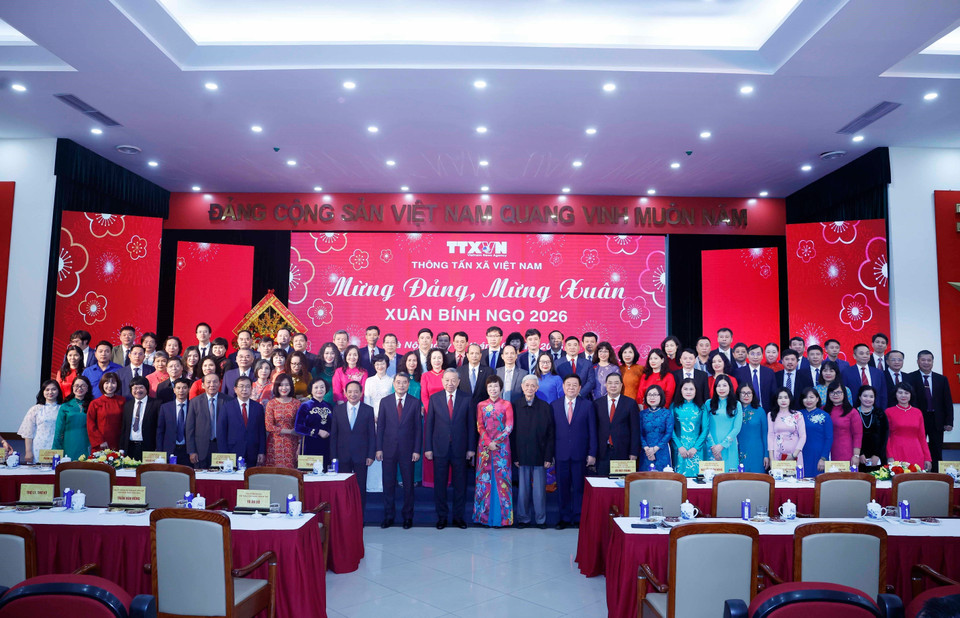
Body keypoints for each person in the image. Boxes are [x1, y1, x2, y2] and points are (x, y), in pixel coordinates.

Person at [425, 369, 476, 529]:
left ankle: (458, 517)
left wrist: (471, 448)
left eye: (453, 380)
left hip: (460, 449)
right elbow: (429, 425)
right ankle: (442, 517)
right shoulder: (434, 399)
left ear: (459, 381)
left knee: (460, 485)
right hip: (439, 448)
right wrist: (428, 448)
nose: (450, 383)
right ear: (442, 381)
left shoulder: (467, 398)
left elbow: (471, 426)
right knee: (440, 485)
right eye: (447, 380)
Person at [376, 372, 422, 529]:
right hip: (388, 449)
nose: (401, 385)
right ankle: (389, 516)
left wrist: (417, 450)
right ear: (393, 384)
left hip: (408, 450)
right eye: (398, 382)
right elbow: (380, 427)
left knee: (408, 485)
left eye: (404, 383)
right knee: (388, 483)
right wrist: (379, 448)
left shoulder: (415, 403)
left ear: (408, 385)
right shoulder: (385, 402)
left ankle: (408, 517)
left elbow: (418, 429)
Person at [552, 374, 596, 529]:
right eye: (568, 385)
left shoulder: (587, 405)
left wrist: (592, 453)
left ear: (579, 388)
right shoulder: (555, 405)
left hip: (580, 454)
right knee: (562, 488)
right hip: (561, 453)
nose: (571, 388)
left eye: (574, 385)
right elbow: (551, 432)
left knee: (579, 487)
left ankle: (578, 517)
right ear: (563, 387)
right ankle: (564, 518)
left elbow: (592, 431)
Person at [510, 375, 555, 528]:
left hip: (540, 455)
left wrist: (548, 456)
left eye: (533, 386)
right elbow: (512, 432)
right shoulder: (515, 406)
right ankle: (523, 518)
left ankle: (541, 519)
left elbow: (550, 433)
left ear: (537, 388)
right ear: (522, 387)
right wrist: (515, 455)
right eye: (527, 385)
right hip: (521, 455)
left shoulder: (545, 407)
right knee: (523, 491)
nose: (530, 388)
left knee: (539, 492)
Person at [473, 375, 513, 527]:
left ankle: (503, 519)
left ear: (501, 388)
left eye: (496, 386)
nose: (493, 389)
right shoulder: (481, 405)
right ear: (486, 388)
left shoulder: (507, 404)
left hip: (502, 448)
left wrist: (497, 442)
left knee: (502, 481)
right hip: (484, 447)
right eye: (490, 386)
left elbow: (509, 426)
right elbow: (480, 426)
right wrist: (489, 442)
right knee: (484, 481)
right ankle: (483, 518)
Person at [330, 381, 376, 510]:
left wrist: (370, 455)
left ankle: (359, 517)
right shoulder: (338, 410)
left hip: (361, 456)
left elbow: (372, 434)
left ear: (361, 393)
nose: (353, 394)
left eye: (356, 391)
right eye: (350, 391)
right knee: (343, 487)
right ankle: (344, 516)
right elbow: (334, 435)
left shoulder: (368, 410)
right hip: (342, 456)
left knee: (360, 488)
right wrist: (334, 457)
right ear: (345, 393)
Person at [907, 349, 954, 467]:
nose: (926, 362)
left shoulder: (941, 379)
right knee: (916, 448)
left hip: (936, 419)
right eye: (923, 360)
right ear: (918, 361)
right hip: (917, 419)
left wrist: (949, 422)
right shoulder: (910, 378)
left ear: (933, 362)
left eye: (929, 360)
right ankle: (917, 472)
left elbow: (947, 401)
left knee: (936, 450)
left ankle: (936, 475)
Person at [593, 373, 639, 476]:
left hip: (623, 452)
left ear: (621, 385)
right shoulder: (597, 404)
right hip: (602, 452)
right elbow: (594, 430)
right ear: (605, 385)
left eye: (616, 383)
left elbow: (635, 430)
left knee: (621, 486)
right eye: (610, 383)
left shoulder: (630, 403)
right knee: (603, 485)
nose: (613, 386)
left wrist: (633, 452)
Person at [217, 375, 266, 467]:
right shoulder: (227, 407)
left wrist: (261, 451)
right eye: (241, 386)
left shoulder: (258, 407)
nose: (244, 389)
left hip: (253, 451)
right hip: (232, 452)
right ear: (235, 389)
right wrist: (224, 454)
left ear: (251, 389)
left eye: (247, 386)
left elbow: (261, 431)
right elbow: (221, 432)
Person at [885, 383, 932, 471]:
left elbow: (922, 437)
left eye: (906, 393)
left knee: (916, 480)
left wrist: (927, 458)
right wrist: (889, 456)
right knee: (898, 480)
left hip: (916, 451)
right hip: (897, 451)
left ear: (911, 395)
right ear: (895, 394)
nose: (903, 395)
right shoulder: (888, 412)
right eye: (900, 393)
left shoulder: (917, 412)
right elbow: (886, 437)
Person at [419, 348, 447, 489]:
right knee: (430, 448)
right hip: (431, 418)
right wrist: (433, 413)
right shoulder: (425, 376)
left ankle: (446, 480)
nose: (437, 360)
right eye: (434, 358)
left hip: (447, 418)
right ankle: (430, 481)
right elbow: (424, 396)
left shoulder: (447, 375)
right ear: (430, 360)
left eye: (439, 358)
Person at [186, 373, 225, 469]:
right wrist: (192, 451)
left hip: (221, 448)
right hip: (200, 450)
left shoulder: (228, 401)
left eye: (215, 382)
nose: (212, 384)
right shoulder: (195, 402)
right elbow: (190, 428)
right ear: (203, 385)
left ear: (220, 384)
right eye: (208, 382)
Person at [703, 375, 742, 471]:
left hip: (729, 446)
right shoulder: (708, 403)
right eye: (718, 385)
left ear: (730, 387)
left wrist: (722, 445)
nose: (721, 388)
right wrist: (714, 447)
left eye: (724, 385)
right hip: (711, 446)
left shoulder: (737, 404)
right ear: (715, 388)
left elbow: (736, 428)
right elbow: (705, 426)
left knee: (729, 479)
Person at [18, 380, 62, 463]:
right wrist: (28, 452)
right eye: (47, 390)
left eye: (54, 389)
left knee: (56, 472)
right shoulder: (35, 409)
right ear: (43, 392)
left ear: (58, 391)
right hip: (39, 446)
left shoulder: (63, 409)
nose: (50, 392)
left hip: (58, 446)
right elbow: (28, 433)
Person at [671, 379, 708, 477]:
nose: (688, 392)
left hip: (696, 449)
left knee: (698, 479)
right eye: (685, 389)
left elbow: (705, 429)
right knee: (679, 479)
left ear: (696, 391)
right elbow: (671, 429)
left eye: (691, 389)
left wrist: (695, 448)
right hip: (679, 450)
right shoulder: (674, 407)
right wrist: (679, 446)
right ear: (680, 390)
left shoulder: (702, 407)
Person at [264, 374, 301, 468]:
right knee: (275, 475)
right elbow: (268, 426)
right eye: (281, 385)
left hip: (292, 444)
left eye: (287, 385)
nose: (284, 388)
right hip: (275, 444)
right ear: (277, 386)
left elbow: (301, 425)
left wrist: (300, 445)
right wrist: (289, 431)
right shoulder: (271, 403)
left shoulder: (296, 403)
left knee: (291, 474)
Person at [53, 376, 94, 460]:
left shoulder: (93, 405)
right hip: (69, 443)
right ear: (72, 388)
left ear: (87, 388)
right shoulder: (65, 406)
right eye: (76, 385)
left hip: (87, 443)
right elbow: (59, 430)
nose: (79, 388)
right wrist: (55, 451)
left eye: (83, 386)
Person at [842, 343, 889, 417]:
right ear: (854, 356)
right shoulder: (846, 372)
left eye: (867, 353)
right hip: (853, 412)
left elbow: (883, 394)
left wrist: (882, 411)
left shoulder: (878, 373)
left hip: (875, 412)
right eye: (861, 353)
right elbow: (844, 393)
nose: (865, 356)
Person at [119, 376, 160, 460]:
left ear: (147, 389)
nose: (138, 391)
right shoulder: (127, 405)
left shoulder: (156, 404)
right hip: (130, 447)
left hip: (149, 448)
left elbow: (160, 428)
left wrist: (158, 447)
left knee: (147, 472)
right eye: (135, 388)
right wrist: (121, 448)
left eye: (141, 387)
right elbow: (124, 428)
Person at [824, 381, 862, 467]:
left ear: (844, 393)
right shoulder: (823, 410)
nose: (835, 395)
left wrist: (856, 455)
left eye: (838, 392)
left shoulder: (852, 412)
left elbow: (858, 435)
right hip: (825, 452)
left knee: (844, 479)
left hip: (845, 452)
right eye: (832, 392)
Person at [294, 378, 333, 460]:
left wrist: (329, 432)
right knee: (310, 471)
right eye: (316, 387)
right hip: (309, 445)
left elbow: (334, 426)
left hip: (327, 445)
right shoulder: (305, 406)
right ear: (311, 390)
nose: (319, 389)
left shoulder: (329, 406)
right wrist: (317, 432)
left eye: (322, 387)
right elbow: (298, 427)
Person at [798, 387, 832, 476]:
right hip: (800, 453)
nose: (808, 400)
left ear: (817, 399)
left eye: (811, 397)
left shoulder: (825, 416)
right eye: (805, 397)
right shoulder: (797, 414)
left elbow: (829, 438)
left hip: (818, 454)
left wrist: (823, 458)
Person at [86, 372, 124, 451]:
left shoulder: (122, 401)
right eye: (107, 383)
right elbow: (90, 424)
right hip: (101, 444)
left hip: (118, 442)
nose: (110, 386)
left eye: (113, 382)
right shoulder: (95, 403)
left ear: (117, 384)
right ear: (102, 384)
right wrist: (100, 441)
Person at [156, 378, 191, 464]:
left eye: (184, 388)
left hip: (188, 450)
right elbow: (160, 430)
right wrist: (160, 451)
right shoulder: (165, 407)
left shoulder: (194, 406)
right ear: (174, 390)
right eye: (178, 388)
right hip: (170, 449)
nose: (181, 391)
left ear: (189, 389)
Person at [767, 389, 805, 466]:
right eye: (780, 398)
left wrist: (794, 455)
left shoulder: (798, 415)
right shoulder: (771, 415)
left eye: (786, 397)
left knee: (796, 477)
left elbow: (803, 436)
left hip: (794, 454)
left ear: (790, 399)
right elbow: (770, 436)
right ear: (776, 400)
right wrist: (771, 458)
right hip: (777, 454)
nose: (783, 400)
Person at [639, 385, 672, 471]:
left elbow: (668, 433)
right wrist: (647, 449)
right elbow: (639, 433)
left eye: (655, 395)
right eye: (649, 395)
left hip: (661, 450)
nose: (652, 397)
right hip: (645, 451)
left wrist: (655, 449)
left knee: (662, 479)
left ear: (661, 396)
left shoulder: (667, 413)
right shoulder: (642, 414)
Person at [736, 383, 768, 473]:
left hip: (757, 451)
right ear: (738, 394)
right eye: (743, 393)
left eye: (749, 393)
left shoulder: (760, 411)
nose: (746, 396)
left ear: (753, 394)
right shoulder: (734, 410)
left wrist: (766, 455)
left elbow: (765, 434)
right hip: (739, 449)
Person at [734, 344, 776, 412]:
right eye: (752, 354)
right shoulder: (739, 372)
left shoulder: (769, 372)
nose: (755, 357)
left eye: (758, 354)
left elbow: (773, 393)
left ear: (762, 356)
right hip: (745, 410)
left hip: (765, 410)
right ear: (747, 355)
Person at [856, 385, 887, 472]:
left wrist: (877, 455)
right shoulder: (854, 413)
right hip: (859, 455)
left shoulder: (880, 413)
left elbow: (884, 436)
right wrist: (860, 454)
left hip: (877, 457)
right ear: (859, 397)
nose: (868, 399)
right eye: (865, 396)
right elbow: (852, 436)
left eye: (871, 396)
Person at [458, 343, 494, 412]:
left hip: (484, 410)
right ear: (467, 355)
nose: (474, 356)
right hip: (463, 410)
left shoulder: (489, 371)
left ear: (480, 355)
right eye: (471, 353)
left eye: (477, 353)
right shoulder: (459, 371)